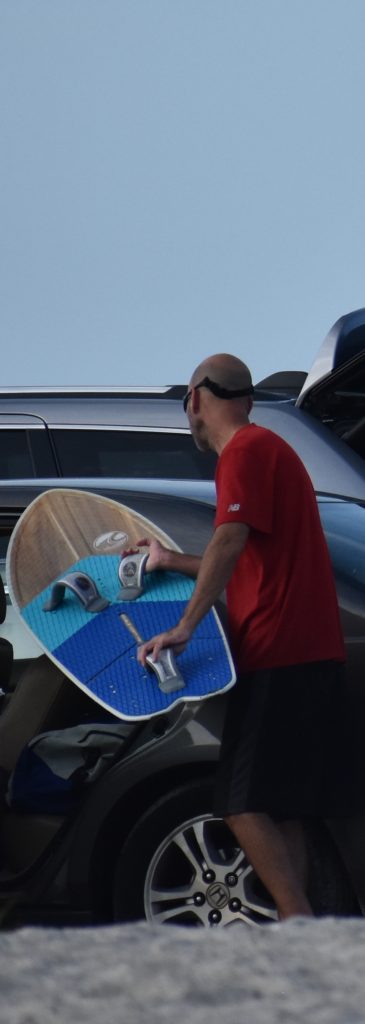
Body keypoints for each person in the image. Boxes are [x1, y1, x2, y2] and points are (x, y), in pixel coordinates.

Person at [137, 353, 350, 921]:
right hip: (308, 654)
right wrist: (166, 559)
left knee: (238, 802)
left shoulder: (246, 452)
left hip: (279, 654)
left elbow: (229, 541)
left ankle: (296, 919)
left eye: (186, 407)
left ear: (198, 399)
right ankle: (299, 932)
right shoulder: (271, 452)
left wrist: (184, 627)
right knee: (284, 808)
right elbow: (232, 556)